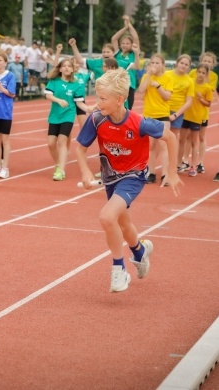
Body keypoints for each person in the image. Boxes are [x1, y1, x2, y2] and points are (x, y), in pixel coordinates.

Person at [75, 68, 182, 292]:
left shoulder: (139, 122)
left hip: (133, 176)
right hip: (110, 177)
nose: (97, 102)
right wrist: (85, 171)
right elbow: (80, 148)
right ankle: (140, 251)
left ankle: (119, 269)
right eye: (97, 96)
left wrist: (171, 172)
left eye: (103, 98)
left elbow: (170, 137)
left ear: (120, 99)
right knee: (123, 224)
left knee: (106, 217)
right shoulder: (96, 119)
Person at [45, 58, 88, 181]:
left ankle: (61, 170)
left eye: (69, 66)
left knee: (62, 140)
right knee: (51, 143)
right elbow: (48, 95)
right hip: (54, 115)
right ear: (60, 68)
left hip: (68, 115)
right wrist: (58, 100)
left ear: (72, 69)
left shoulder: (76, 84)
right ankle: (58, 164)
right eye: (64, 66)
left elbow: (79, 103)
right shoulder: (54, 81)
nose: (67, 68)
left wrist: (89, 108)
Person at [138, 53, 173, 185]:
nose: (154, 65)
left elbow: (167, 97)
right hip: (149, 114)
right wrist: (148, 75)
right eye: (152, 63)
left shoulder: (167, 78)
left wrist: (158, 86)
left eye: (157, 63)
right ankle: (151, 173)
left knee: (163, 144)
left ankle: (165, 174)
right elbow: (141, 90)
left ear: (163, 65)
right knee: (151, 146)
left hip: (163, 114)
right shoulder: (146, 77)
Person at [179, 64, 212, 177]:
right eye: (199, 72)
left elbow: (208, 103)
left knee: (194, 142)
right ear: (196, 72)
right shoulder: (190, 82)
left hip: (197, 118)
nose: (201, 75)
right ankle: (180, 163)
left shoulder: (207, 88)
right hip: (186, 115)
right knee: (181, 140)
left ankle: (193, 166)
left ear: (206, 75)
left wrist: (200, 98)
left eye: (203, 73)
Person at [187, 52, 218, 174]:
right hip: (190, 109)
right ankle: (185, 160)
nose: (206, 63)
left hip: (202, 111)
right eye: (205, 60)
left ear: (213, 64)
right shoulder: (192, 72)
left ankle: (200, 162)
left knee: (201, 136)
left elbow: (210, 90)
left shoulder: (214, 76)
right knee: (188, 136)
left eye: (209, 61)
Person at [163, 54, 194, 172]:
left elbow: (189, 102)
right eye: (182, 63)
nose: (183, 66)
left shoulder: (189, 81)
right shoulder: (167, 74)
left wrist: (176, 114)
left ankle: (173, 164)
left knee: (173, 139)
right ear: (177, 63)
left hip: (177, 112)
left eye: (186, 65)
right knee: (158, 138)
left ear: (189, 67)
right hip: (163, 110)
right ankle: (149, 168)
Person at [111, 15, 140, 109]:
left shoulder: (133, 54)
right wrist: (125, 28)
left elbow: (135, 38)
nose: (125, 45)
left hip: (129, 85)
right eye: (123, 43)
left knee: (127, 110)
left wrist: (129, 24)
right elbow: (114, 39)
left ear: (132, 45)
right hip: (117, 84)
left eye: (127, 43)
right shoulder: (117, 53)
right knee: (116, 108)